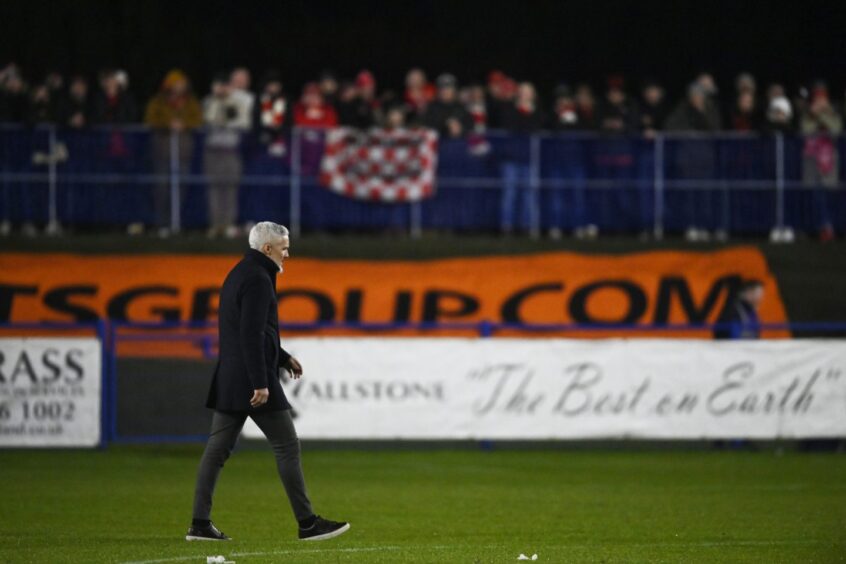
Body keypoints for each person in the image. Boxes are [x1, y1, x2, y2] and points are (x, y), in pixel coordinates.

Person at [187, 222, 349, 542]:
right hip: (252, 378)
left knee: (216, 450)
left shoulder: (240, 272)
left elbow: (250, 330)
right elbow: (252, 334)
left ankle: (199, 524)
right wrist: (261, 382)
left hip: (231, 376)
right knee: (287, 446)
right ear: (267, 249)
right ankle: (307, 524)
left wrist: (283, 357)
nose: (288, 253)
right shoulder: (260, 279)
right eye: (284, 247)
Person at [144, 69, 203, 237]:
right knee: (161, 189)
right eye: (175, 84)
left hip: (183, 153)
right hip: (162, 152)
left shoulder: (190, 102)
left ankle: (176, 223)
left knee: (181, 189)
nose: (179, 87)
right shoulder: (158, 101)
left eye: (181, 84)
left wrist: (184, 125)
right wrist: (167, 124)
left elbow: (198, 120)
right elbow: (150, 119)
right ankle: (161, 224)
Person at [203, 73, 251, 238]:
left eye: (225, 85)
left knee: (230, 189)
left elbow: (243, 122)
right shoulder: (210, 101)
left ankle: (229, 224)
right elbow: (208, 119)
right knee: (214, 189)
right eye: (220, 85)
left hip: (231, 151)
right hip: (213, 151)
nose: (223, 88)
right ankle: (216, 225)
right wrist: (218, 99)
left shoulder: (237, 101)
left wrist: (228, 104)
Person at [498, 81, 545, 235]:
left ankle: (527, 227)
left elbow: (537, 127)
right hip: (511, 158)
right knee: (509, 194)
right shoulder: (510, 109)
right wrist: (523, 112)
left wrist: (530, 113)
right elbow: (513, 127)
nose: (525, 94)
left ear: (533, 95)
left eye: (528, 91)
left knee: (529, 195)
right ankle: (507, 227)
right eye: (522, 91)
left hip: (530, 159)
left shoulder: (538, 111)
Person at [800, 82, 842, 242]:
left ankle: (828, 226)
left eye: (822, 97)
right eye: (817, 97)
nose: (820, 101)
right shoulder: (807, 114)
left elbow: (835, 131)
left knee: (828, 194)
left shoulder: (833, 114)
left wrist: (824, 115)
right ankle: (817, 227)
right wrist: (813, 116)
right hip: (810, 159)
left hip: (829, 160)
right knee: (812, 193)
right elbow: (805, 132)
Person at [422, 73, 470, 138]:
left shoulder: (462, 107)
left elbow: (470, 126)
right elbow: (428, 127)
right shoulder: (431, 108)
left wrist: (461, 128)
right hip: (439, 144)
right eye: (442, 88)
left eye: (448, 87)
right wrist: (447, 125)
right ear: (438, 91)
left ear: (454, 90)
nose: (445, 91)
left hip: (459, 144)